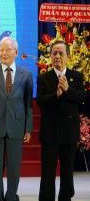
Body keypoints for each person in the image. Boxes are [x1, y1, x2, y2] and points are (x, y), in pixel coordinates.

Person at [0, 37, 33, 201]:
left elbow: (28, 104)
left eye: (7, 49)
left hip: (17, 126)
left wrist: (28, 128)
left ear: (15, 52)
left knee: (14, 167)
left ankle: (11, 197)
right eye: (1, 49)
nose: (3, 52)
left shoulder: (26, 74)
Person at [37, 40, 85, 201]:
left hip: (69, 133)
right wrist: (56, 95)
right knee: (48, 172)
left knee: (67, 170)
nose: (57, 56)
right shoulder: (44, 77)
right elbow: (41, 102)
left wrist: (67, 90)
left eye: (60, 53)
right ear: (50, 56)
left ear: (68, 56)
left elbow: (82, 98)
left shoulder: (76, 76)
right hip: (50, 132)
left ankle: (66, 198)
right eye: (54, 53)